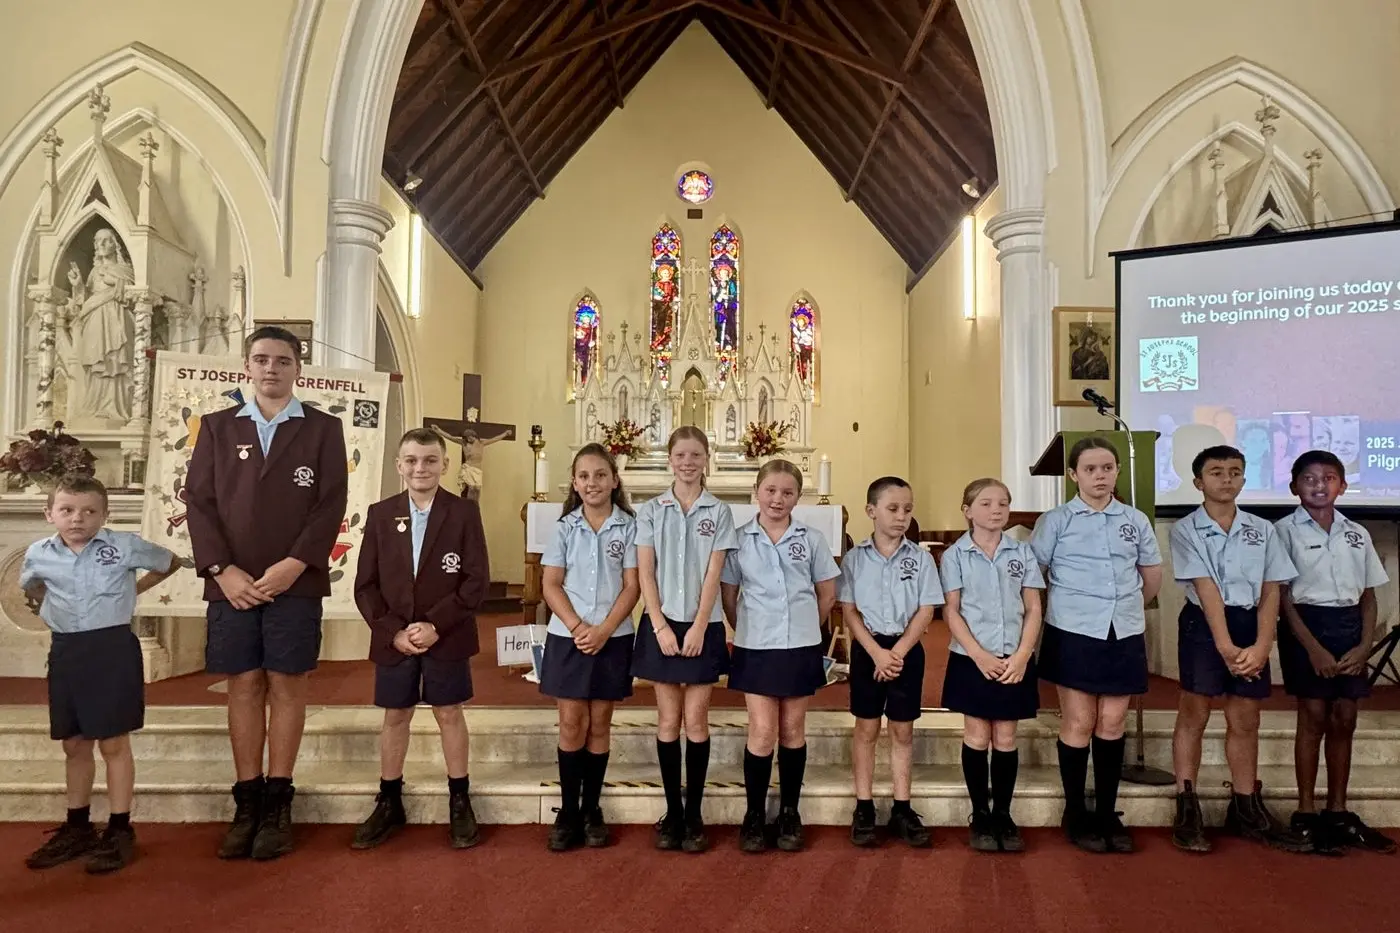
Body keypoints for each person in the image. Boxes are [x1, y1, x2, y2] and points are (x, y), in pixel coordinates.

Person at [185, 325, 349, 861]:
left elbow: (330, 503)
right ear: (247, 366)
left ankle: (279, 800)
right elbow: (200, 503)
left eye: (282, 360)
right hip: (230, 584)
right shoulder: (215, 427)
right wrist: (220, 570)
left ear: (298, 368)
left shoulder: (323, 429)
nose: (271, 368)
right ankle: (247, 800)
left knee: (287, 684)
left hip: (294, 583)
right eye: (261, 359)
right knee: (243, 684)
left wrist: (296, 564)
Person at [19, 475, 179, 873]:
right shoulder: (39, 553)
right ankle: (77, 827)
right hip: (67, 650)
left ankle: (120, 828)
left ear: (105, 514)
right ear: (49, 514)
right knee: (74, 742)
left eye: (90, 511)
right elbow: (31, 588)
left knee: (112, 741)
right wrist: (48, 607)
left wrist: (134, 591)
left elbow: (169, 561)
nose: (78, 519)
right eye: (67, 510)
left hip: (111, 649)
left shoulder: (122, 546)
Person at [350, 428, 489, 850]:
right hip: (395, 639)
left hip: (445, 636)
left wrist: (435, 625)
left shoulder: (463, 514)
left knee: (449, 713)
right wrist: (392, 631)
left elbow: (475, 579)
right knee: (395, 716)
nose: (420, 468)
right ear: (399, 465)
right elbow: (365, 585)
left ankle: (460, 798)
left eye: (430, 460)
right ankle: (390, 799)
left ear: (445, 464)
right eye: (411, 460)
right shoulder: (379, 514)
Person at [1168, 446, 1307, 853]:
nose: (1226, 479)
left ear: (1244, 479)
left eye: (1234, 472)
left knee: (1245, 717)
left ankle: (1246, 805)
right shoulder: (1186, 530)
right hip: (1205, 626)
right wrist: (1226, 646)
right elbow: (1206, 589)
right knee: (1194, 711)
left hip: (1251, 624)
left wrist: (1263, 645)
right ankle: (1187, 804)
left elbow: (1272, 589)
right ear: (1199, 483)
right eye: (1216, 472)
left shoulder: (1262, 530)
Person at [1030, 436, 1162, 854]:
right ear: (1073, 475)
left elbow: (1151, 572)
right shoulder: (1056, 520)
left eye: (1107, 467)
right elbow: (1036, 573)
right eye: (1090, 469)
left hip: (1121, 629)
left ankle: (1107, 811)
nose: (1100, 476)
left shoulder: (1135, 519)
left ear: (1118, 471)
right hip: (1073, 629)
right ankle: (1076, 811)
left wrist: (1125, 607)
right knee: (1080, 721)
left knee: (1112, 722)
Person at [1275, 450, 1396, 854]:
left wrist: (1364, 646)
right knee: (1313, 715)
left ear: (1343, 486)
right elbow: (1284, 598)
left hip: (1349, 630)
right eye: (1309, 478)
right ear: (1294, 487)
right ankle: (1306, 813)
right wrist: (1313, 648)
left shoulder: (1356, 533)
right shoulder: (1283, 533)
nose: (1319, 485)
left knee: (1345, 716)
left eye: (1329, 478)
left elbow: (1368, 596)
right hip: (1306, 628)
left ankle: (1337, 812)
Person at [721, 459, 841, 853]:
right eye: (771, 490)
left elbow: (827, 593)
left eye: (787, 492)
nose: (778, 499)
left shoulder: (811, 539)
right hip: (756, 646)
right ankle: (754, 814)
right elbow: (729, 596)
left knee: (792, 730)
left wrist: (806, 625)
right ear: (757, 491)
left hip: (800, 645)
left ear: (798, 497)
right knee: (762, 731)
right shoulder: (739, 539)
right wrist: (749, 629)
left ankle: (790, 811)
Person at [632, 426, 737, 853]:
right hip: (661, 622)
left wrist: (698, 625)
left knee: (696, 720)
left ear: (706, 458)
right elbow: (645, 571)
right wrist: (658, 625)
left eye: (696, 454)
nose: (688, 462)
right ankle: (671, 811)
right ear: (669, 459)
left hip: (701, 625)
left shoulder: (720, 511)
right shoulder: (651, 510)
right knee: (666, 720)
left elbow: (715, 573)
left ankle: (693, 814)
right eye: (681, 454)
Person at [539, 443, 640, 851]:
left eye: (601, 475)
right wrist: (579, 626)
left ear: (614, 481)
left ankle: (592, 807)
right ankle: (569, 810)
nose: (592, 482)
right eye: (584, 476)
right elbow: (550, 584)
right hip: (569, 637)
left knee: (600, 724)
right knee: (570, 724)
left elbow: (633, 586)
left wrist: (604, 630)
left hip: (612, 638)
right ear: (575, 483)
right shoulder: (565, 528)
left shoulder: (630, 527)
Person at [940, 478, 1045, 853]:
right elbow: (951, 611)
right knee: (977, 736)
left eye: (1003, 503)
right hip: (973, 658)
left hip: (1014, 657)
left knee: (1005, 737)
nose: (996, 510)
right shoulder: (955, 555)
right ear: (967, 510)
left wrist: (1022, 655)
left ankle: (1003, 813)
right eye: (985, 504)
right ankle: (980, 814)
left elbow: (1033, 607)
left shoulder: (1022, 552)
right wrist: (980, 655)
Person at [840, 476, 941, 849]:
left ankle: (902, 806)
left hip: (906, 649)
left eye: (908, 510)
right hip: (869, 650)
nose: (901, 517)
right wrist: (876, 653)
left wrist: (896, 652)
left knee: (902, 731)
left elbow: (927, 608)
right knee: (866, 729)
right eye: (893, 508)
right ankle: (864, 806)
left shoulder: (921, 558)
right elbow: (849, 611)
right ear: (871, 511)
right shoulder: (854, 559)